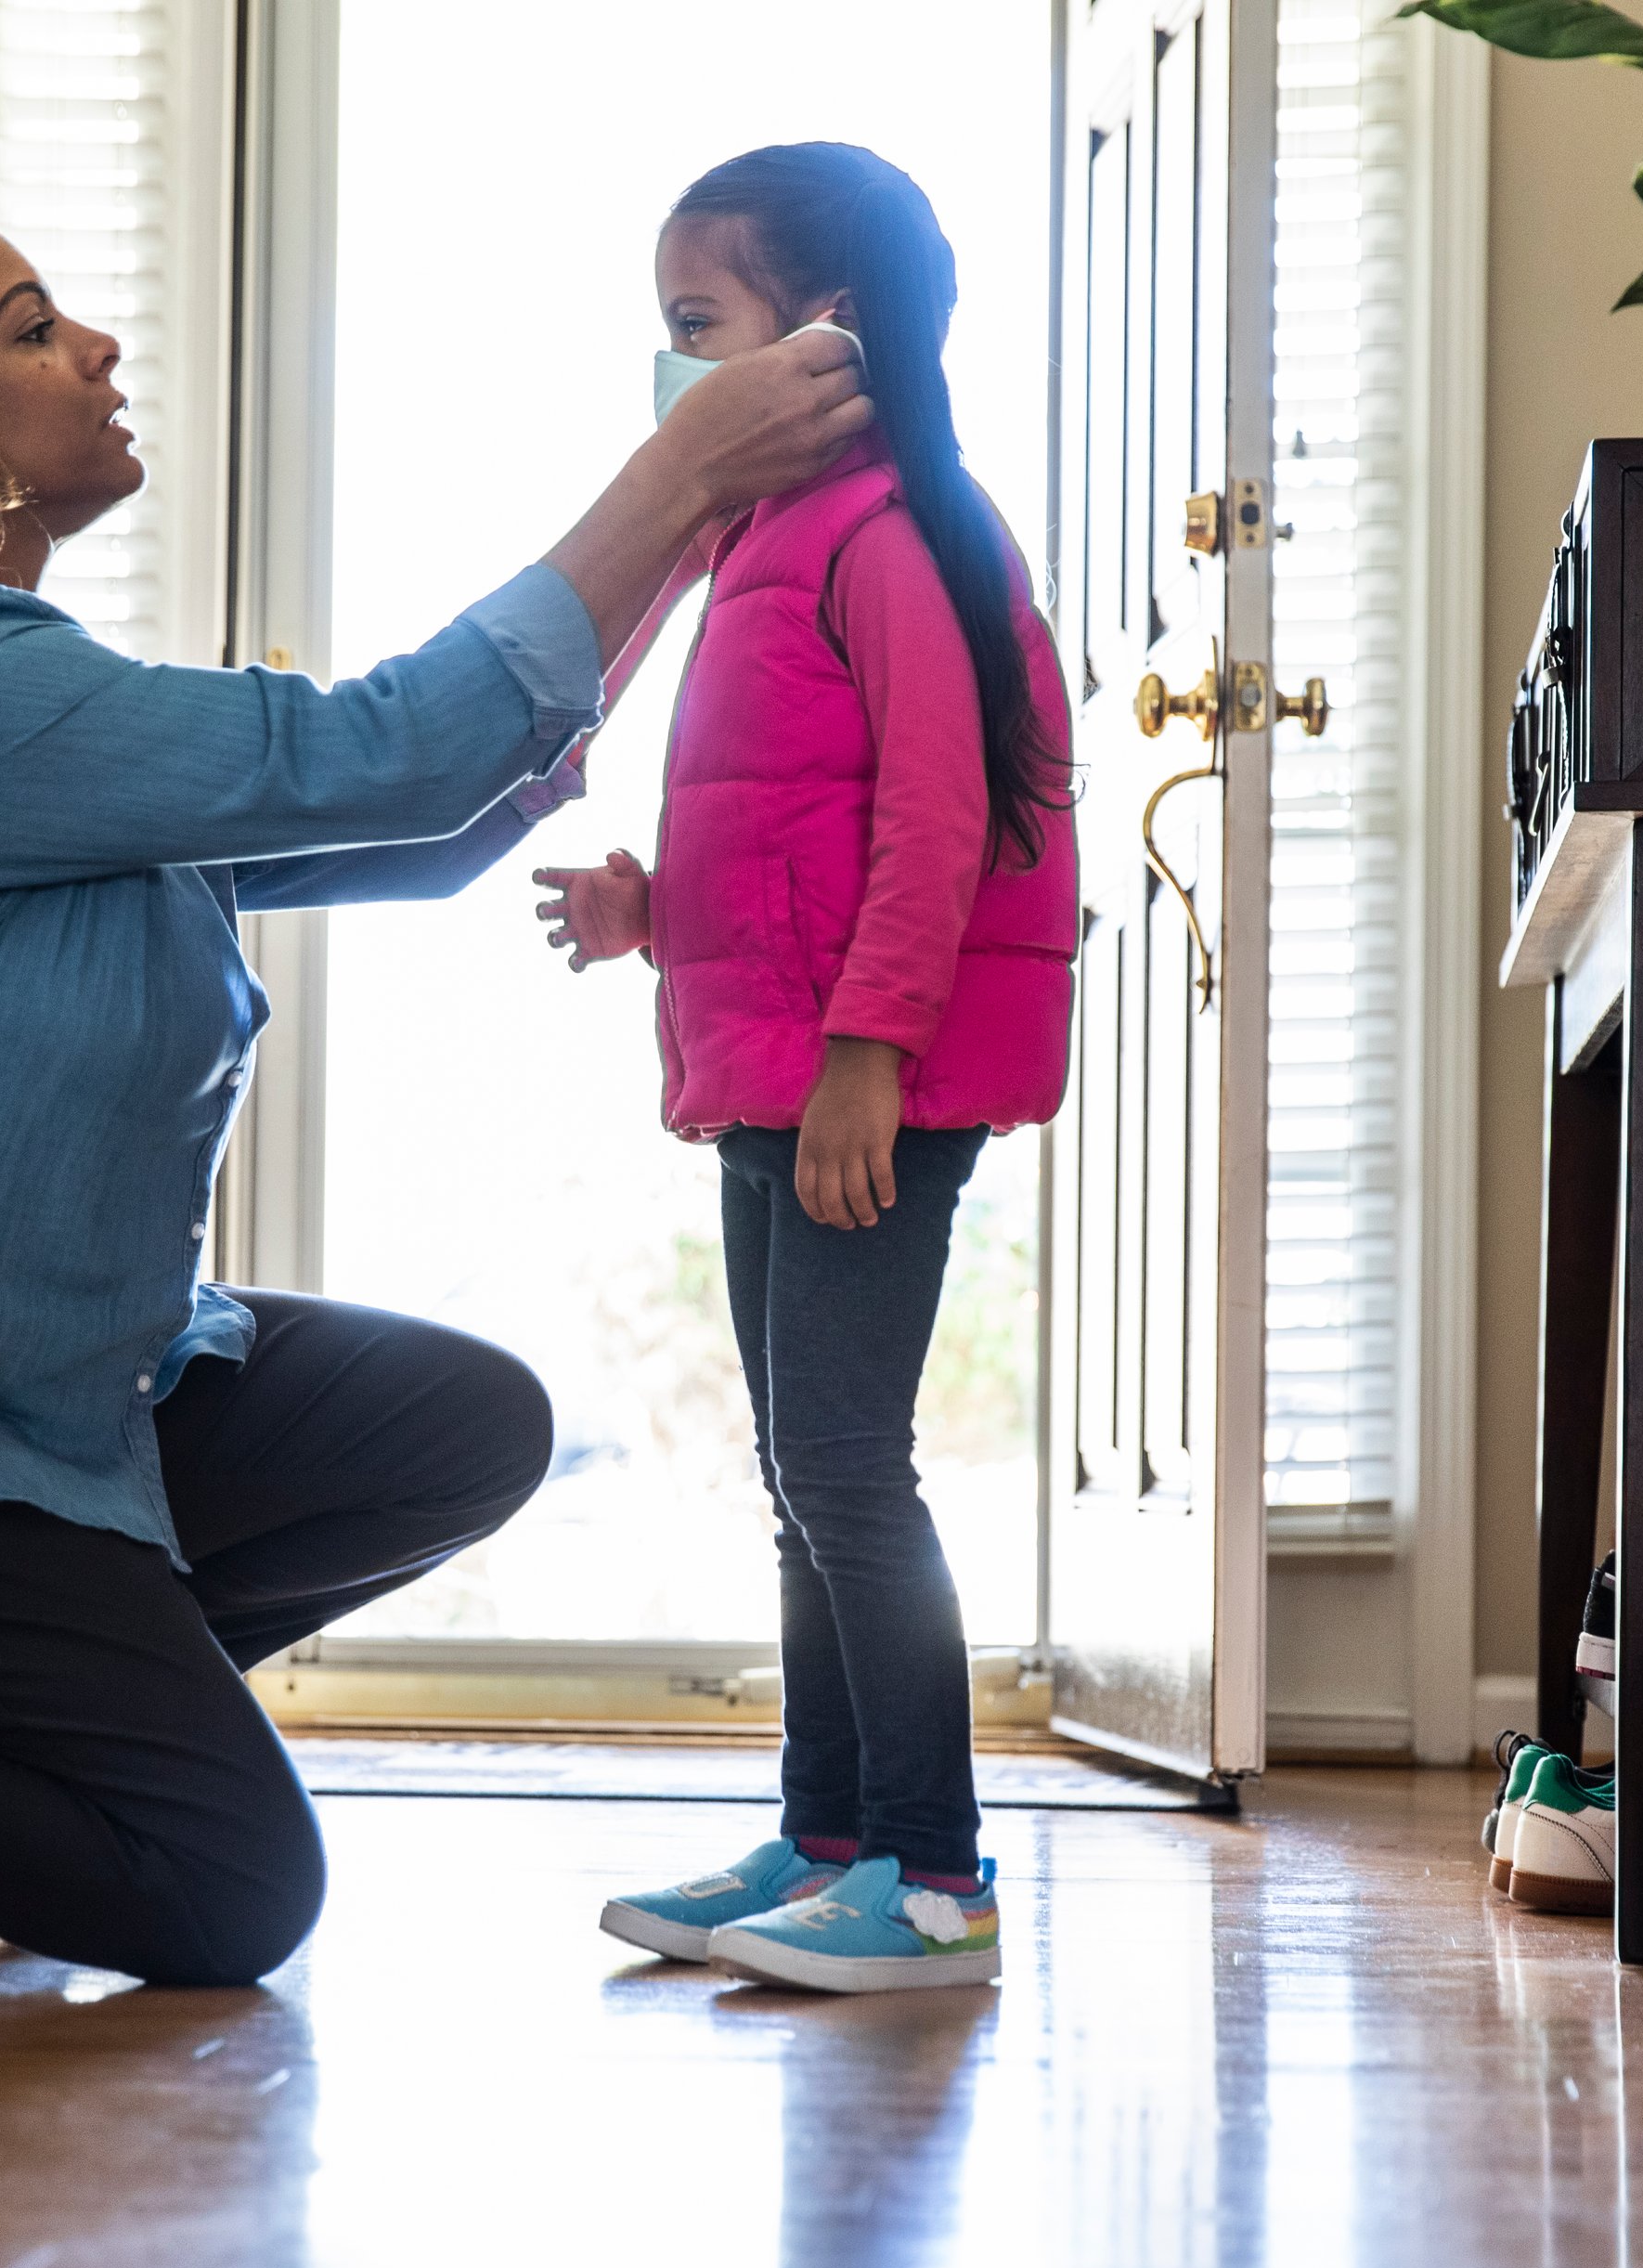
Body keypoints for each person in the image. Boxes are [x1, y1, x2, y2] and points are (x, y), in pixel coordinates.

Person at [0, 178, 871, 1985]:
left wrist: (701, 507)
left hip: (26, 1397)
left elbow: (431, 812)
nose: (98, 348)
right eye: (30, 327)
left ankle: (48, 1771)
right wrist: (678, 477)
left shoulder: (27, 715)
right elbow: (390, 746)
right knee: (226, 1887)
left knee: (459, 1422)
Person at [537, 145, 1077, 1994]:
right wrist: (645, 904)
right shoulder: (763, 540)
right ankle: (827, 1833)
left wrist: (868, 1054)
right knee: (801, 1467)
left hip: (866, 1080)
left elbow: (936, 821)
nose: (673, 368)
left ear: (823, 335)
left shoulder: (890, 526)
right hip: (777, 1062)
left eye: (695, 325)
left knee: (850, 1462)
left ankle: (934, 1876)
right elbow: (800, 830)